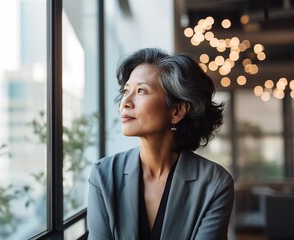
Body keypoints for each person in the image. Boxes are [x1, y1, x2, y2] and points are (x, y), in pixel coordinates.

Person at [87, 48, 234, 240]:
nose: (126, 103)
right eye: (126, 91)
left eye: (141, 90)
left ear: (177, 111)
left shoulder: (214, 183)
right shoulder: (104, 175)